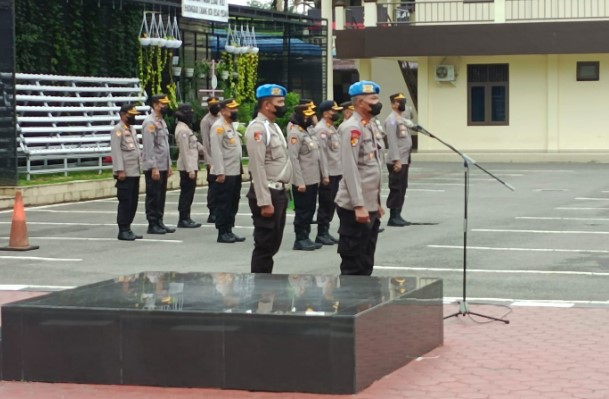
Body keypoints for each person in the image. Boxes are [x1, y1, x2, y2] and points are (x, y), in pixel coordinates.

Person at [334, 81, 384, 276]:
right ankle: (350, 305)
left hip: (370, 204)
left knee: (366, 260)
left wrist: (376, 203)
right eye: (373, 99)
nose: (377, 102)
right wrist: (358, 205)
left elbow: (374, 168)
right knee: (353, 262)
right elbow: (350, 168)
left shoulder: (369, 126)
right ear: (360, 103)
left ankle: (364, 303)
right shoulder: (352, 128)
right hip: (354, 206)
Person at [245, 84, 292, 273]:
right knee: (265, 245)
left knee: (273, 244)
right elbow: (257, 167)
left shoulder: (272, 127)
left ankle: (266, 283)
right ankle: (261, 289)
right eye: (279, 102)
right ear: (266, 105)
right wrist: (264, 201)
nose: (282, 105)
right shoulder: (258, 129)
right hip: (267, 193)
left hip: (279, 191)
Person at [288, 105, 327, 251]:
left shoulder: (309, 132)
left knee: (310, 210)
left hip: (312, 178)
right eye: (306, 116)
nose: (309, 118)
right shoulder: (295, 134)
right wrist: (299, 181)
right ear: (299, 117)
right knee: (302, 211)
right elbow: (294, 159)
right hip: (303, 180)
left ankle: (306, 236)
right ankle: (300, 239)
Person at [209, 98, 246, 244]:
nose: (235, 111)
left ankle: (229, 229)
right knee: (224, 203)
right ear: (223, 111)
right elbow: (216, 151)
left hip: (234, 170)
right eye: (232, 109)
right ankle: (222, 231)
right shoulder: (218, 126)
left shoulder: (229, 125)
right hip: (225, 173)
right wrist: (220, 172)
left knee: (233, 201)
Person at [142, 94, 175, 234]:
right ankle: (152, 223)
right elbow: (149, 147)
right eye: (163, 104)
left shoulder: (161, 121)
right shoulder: (150, 123)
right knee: (153, 196)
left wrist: (168, 165)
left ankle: (159, 221)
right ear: (155, 105)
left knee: (161, 196)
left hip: (162, 165)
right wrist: (153, 167)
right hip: (154, 166)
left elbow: (164, 146)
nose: (165, 106)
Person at [110, 104, 143, 241]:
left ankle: (128, 228)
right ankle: (123, 229)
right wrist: (120, 170)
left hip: (134, 171)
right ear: (123, 114)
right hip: (125, 172)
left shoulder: (132, 129)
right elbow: (116, 151)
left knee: (133, 202)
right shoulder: (118, 130)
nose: (133, 117)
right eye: (131, 115)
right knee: (125, 201)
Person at [314, 100, 343, 245]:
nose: (336, 113)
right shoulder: (321, 129)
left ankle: (326, 231)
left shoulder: (331, 128)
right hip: (329, 174)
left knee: (332, 203)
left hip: (336, 171)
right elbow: (322, 154)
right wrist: (324, 174)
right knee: (326, 203)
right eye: (333, 111)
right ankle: (321, 233)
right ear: (326, 113)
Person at [385, 93, 414, 227]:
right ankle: (393, 216)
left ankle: (399, 214)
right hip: (396, 160)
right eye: (400, 101)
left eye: (403, 101)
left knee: (402, 187)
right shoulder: (391, 120)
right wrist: (396, 160)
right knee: (396, 187)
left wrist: (408, 158)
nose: (403, 103)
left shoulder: (401, 119)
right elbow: (392, 141)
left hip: (404, 159)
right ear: (393, 104)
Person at [174, 103, 203, 228]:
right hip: (187, 167)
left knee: (190, 193)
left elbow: (196, 146)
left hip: (191, 165)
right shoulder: (182, 130)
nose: (191, 116)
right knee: (186, 193)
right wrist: (190, 169)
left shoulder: (186, 128)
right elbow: (185, 152)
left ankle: (187, 216)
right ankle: (183, 218)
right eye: (189, 114)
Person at [200, 97, 221, 223]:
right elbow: (206, 142)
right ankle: (212, 211)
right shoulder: (206, 121)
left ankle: (219, 209)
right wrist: (209, 161)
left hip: (223, 158)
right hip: (212, 158)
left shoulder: (221, 118)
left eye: (217, 104)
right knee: (213, 186)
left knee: (221, 187)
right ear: (208, 106)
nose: (215, 106)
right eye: (212, 105)